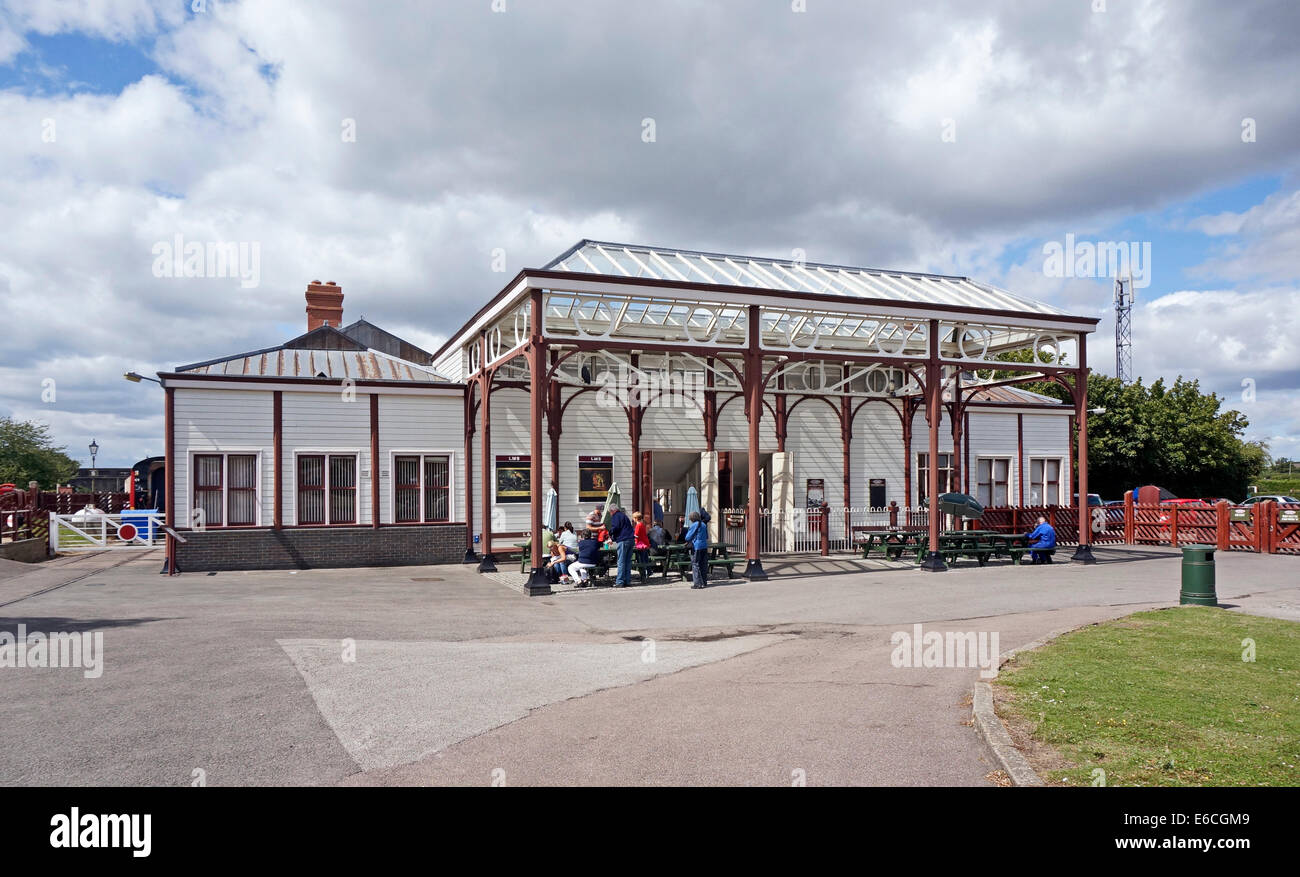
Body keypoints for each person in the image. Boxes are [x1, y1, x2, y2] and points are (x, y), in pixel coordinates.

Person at [606, 503, 635, 587]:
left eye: (610, 512)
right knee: (627, 561)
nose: (610, 514)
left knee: (621, 561)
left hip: (623, 540)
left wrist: (610, 532)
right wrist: (613, 538)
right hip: (631, 539)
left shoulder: (616, 516)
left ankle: (620, 582)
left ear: (612, 511)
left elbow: (616, 527)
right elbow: (624, 529)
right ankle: (627, 580)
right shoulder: (624, 516)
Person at [684, 511, 710, 589]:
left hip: (696, 546)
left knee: (695, 564)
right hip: (704, 546)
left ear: (692, 519)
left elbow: (687, 537)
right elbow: (706, 536)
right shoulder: (703, 525)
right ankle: (704, 582)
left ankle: (697, 583)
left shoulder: (694, 525)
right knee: (703, 564)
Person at [632, 510, 651, 578]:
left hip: (641, 544)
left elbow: (636, 535)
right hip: (645, 543)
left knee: (641, 559)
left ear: (636, 518)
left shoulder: (638, 525)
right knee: (645, 558)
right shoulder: (642, 524)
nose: (633, 519)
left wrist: (634, 542)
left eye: (633, 518)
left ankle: (643, 574)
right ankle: (649, 571)